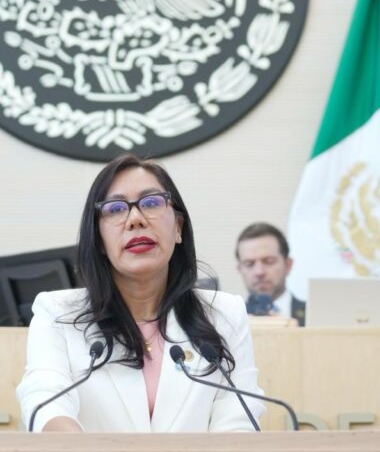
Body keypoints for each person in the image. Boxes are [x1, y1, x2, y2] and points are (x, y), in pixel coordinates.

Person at [16, 154, 265, 432]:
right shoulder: (57, 314)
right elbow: (45, 400)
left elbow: (238, 420)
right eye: (115, 208)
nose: (135, 219)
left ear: (178, 227)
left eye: (151, 203)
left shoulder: (225, 314)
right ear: (99, 239)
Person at [235, 223, 305, 325]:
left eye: (269, 261)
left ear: (288, 265)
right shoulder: (230, 319)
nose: (259, 272)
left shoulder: (317, 316)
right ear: (239, 269)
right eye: (249, 264)